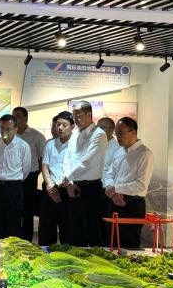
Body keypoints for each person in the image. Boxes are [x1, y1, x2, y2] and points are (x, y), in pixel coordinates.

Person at [102, 117, 154, 249]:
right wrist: (113, 192)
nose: (118, 137)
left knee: (129, 246)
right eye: (116, 133)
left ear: (133, 132)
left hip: (132, 205)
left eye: (120, 133)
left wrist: (115, 189)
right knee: (110, 243)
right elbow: (109, 174)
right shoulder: (119, 151)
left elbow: (141, 185)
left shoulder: (145, 154)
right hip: (113, 202)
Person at [61, 101, 107, 246]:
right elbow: (67, 158)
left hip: (91, 187)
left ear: (89, 115)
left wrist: (67, 177)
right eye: (74, 116)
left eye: (79, 116)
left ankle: (96, 259)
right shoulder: (75, 134)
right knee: (74, 229)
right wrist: (69, 182)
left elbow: (87, 162)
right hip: (74, 186)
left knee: (92, 229)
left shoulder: (99, 134)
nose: (76, 119)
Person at [0, 114, 32, 239]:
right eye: (1, 128)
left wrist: (13, 180)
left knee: (13, 222)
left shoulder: (23, 146)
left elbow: (26, 169)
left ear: (16, 129)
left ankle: (12, 248)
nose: (4, 131)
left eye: (8, 129)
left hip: (14, 187)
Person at [40, 111, 73, 246]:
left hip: (69, 190)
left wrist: (67, 183)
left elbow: (80, 167)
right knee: (47, 228)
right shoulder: (50, 144)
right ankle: (46, 254)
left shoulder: (77, 145)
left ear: (72, 126)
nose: (60, 128)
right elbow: (45, 166)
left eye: (64, 125)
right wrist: (50, 186)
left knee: (69, 229)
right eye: (58, 124)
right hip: (51, 188)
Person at [13, 106, 46, 242]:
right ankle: (14, 238)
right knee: (14, 209)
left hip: (30, 177)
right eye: (13, 116)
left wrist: (36, 173)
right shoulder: (11, 134)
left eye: (17, 117)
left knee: (28, 210)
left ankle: (26, 240)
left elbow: (43, 158)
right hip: (13, 177)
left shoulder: (36, 136)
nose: (15, 119)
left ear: (25, 118)